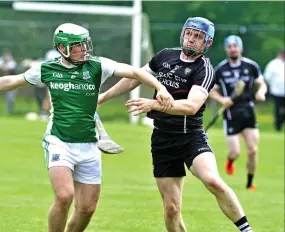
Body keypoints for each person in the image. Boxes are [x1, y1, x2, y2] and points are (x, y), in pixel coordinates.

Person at [0, 23, 173, 232]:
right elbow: (11, 81)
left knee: (87, 208)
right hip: (59, 141)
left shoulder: (97, 65)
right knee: (65, 196)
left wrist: (160, 87)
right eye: (78, 45)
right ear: (62, 48)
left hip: (89, 145)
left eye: (85, 44)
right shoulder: (48, 69)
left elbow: (136, 72)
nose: (83, 49)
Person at [98, 17, 254, 232]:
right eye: (189, 33)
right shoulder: (164, 56)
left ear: (206, 43)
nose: (191, 39)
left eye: (198, 37)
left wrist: (154, 104)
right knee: (171, 209)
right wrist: (103, 97)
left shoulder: (205, 70)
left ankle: (246, 230)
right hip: (162, 139)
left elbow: (191, 106)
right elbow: (135, 78)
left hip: (191, 137)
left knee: (213, 181)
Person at [209, 35, 267, 190]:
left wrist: (261, 92)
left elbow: (262, 84)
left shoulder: (251, 66)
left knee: (253, 150)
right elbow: (212, 91)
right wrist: (222, 100)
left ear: (240, 48)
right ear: (226, 49)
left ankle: (250, 183)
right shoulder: (220, 69)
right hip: (230, 113)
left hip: (248, 111)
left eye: (235, 46)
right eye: (230, 46)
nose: (233, 49)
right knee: (235, 152)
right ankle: (230, 160)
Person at [264, 48, 285, 131]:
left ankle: (281, 122)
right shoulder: (273, 64)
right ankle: (278, 126)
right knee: (277, 109)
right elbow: (267, 77)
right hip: (276, 91)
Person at [0, 49, 18, 114]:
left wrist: (2, 66)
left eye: (8, 56)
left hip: (11, 82)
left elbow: (10, 68)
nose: (6, 57)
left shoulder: (12, 62)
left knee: (10, 98)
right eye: (5, 56)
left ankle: (10, 112)